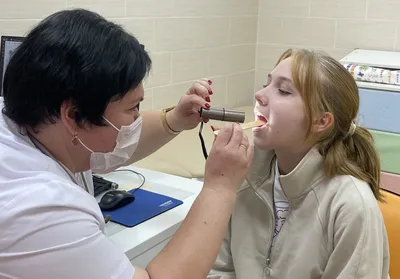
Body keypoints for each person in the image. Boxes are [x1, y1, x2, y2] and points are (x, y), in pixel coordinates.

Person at [0, 9, 254, 279]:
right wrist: (220, 188)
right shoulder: (42, 210)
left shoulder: (35, 121)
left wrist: (175, 119)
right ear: (73, 115)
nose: (137, 119)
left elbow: (104, 148)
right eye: (133, 107)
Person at [207, 49, 390, 279]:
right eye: (267, 83)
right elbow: (219, 269)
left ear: (321, 121)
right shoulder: (244, 173)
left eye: (283, 91)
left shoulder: (352, 207)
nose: (259, 95)